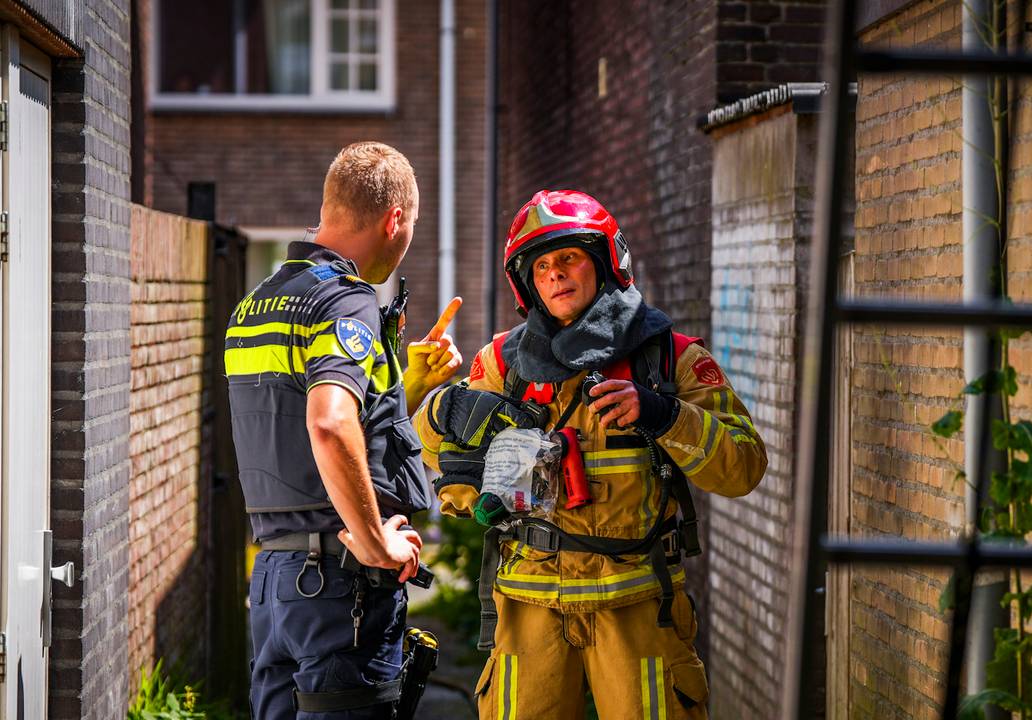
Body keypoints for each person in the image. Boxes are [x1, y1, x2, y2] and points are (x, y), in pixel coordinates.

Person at [411, 189, 767, 718]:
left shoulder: (669, 357)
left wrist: (663, 416)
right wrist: (430, 398)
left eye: (569, 258)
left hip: (639, 608)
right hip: (529, 608)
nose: (555, 274)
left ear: (605, 262)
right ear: (528, 283)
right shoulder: (503, 363)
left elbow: (743, 467)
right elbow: (425, 452)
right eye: (543, 266)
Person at [224, 141, 462, 717]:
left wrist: (407, 389)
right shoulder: (346, 299)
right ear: (395, 218)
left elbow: (310, 435)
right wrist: (378, 541)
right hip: (341, 586)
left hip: (275, 584)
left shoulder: (257, 304)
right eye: (412, 227)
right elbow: (329, 425)